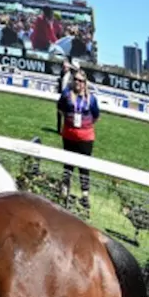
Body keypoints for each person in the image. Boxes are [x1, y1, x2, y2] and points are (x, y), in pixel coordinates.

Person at [57, 70, 100, 213]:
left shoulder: (91, 99)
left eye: (81, 80)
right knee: (67, 165)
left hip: (85, 138)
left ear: (85, 83)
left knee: (84, 168)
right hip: (69, 136)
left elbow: (96, 116)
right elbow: (60, 109)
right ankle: (64, 192)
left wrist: (84, 125)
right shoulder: (66, 94)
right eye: (75, 79)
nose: (78, 82)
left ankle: (85, 196)